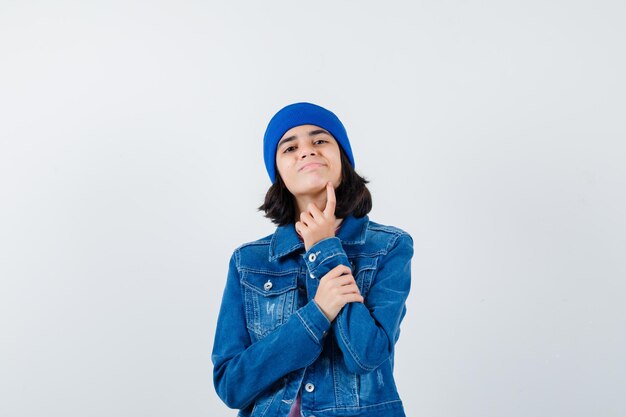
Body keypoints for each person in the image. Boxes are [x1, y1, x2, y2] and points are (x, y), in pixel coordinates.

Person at [211, 102, 414, 417]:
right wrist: (318, 313)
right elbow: (231, 385)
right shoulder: (248, 261)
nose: (306, 151)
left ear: (342, 158)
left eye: (320, 140)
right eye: (290, 147)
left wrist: (324, 251)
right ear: (277, 171)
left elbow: (365, 356)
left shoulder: (389, 247)